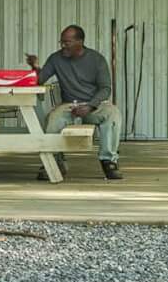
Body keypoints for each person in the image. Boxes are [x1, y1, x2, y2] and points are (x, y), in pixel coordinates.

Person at [24, 24, 123, 179]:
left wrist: (90, 106)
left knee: (113, 114)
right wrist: (35, 66)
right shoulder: (56, 58)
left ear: (80, 42)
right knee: (53, 120)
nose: (63, 46)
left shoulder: (97, 59)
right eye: (61, 42)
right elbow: (40, 79)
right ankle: (54, 161)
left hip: (94, 105)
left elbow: (105, 88)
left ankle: (109, 161)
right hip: (69, 105)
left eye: (67, 42)